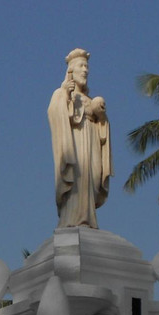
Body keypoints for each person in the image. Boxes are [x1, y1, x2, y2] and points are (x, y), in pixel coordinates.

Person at [48, 48, 113, 228]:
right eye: (81, 66)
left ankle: (88, 218)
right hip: (74, 142)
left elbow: (102, 130)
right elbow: (54, 114)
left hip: (92, 142)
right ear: (71, 71)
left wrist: (101, 118)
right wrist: (66, 97)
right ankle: (72, 218)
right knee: (77, 178)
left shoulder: (90, 99)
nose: (85, 70)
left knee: (93, 177)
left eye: (87, 67)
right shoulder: (61, 94)